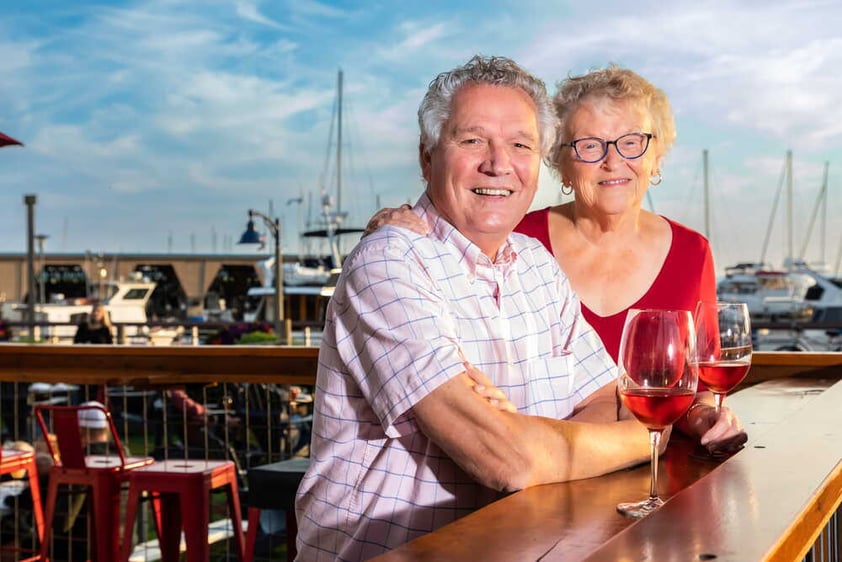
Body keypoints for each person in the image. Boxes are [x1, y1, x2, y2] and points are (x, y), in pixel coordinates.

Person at [295, 55, 658, 561]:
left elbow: (608, 401)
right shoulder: (390, 262)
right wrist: (652, 436)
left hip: (527, 548)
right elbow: (506, 461)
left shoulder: (536, 265)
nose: (498, 163)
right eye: (472, 140)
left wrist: (535, 442)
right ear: (427, 157)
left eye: (520, 145)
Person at [363, 64, 746, 456]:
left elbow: (696, 385)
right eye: (590, 145)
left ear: (656, 156)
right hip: (543, 466)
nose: (612, 161)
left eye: (631, 142)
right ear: (561, 163)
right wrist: (390, 231)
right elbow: (436, 249)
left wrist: (704, 415)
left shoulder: (691, 252)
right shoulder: (516, 239)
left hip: (633, 467)